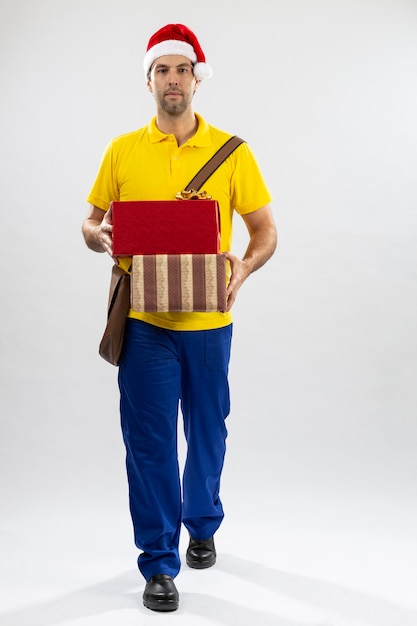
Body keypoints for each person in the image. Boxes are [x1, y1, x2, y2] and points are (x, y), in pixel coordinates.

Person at [82, 23, 277, 613]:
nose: (172, 80)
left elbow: (265, 232)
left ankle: (203, 519)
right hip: (144, 325)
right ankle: (159, 562)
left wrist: (243, 266)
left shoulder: (232, 152)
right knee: (149, 444)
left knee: (209, 430)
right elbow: (91, 222)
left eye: (182, 70)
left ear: (197, 78)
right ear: (149, 81)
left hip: (209, 326)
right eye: (162, 70)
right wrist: (97, 235)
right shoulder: (121, 150)